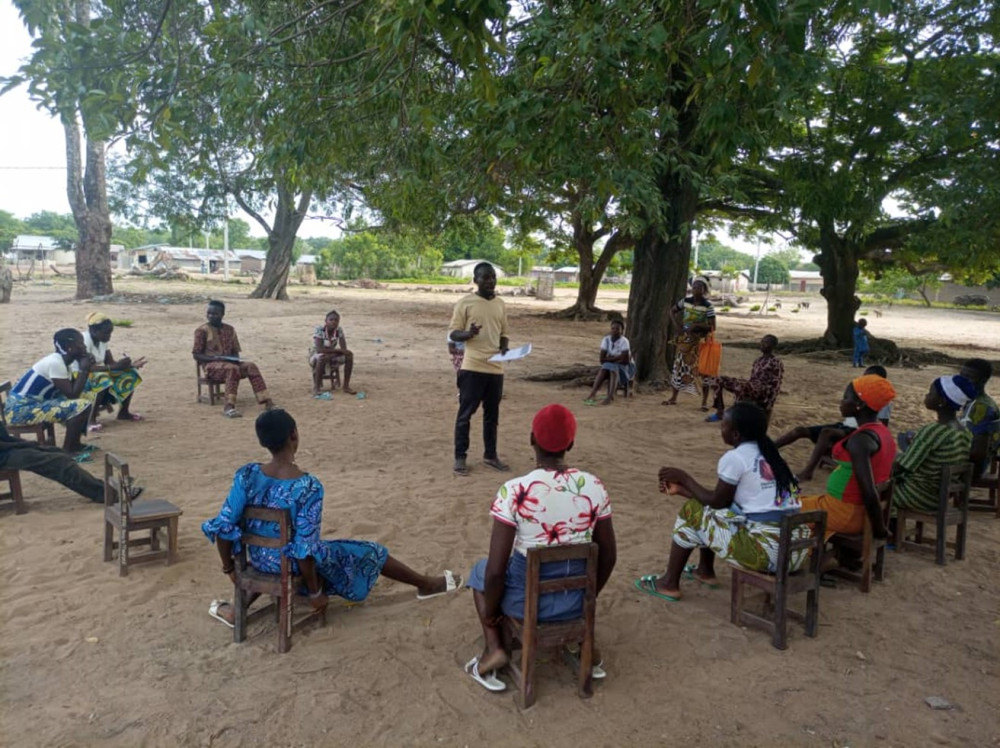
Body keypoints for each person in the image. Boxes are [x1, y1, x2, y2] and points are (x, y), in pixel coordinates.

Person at [203, 409, 461, 627]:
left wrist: (231, 570)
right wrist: (315, 592)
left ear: (263, 442)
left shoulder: (246, 475)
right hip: (290, 565)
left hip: (256, 561)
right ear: (294, 435)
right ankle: (425, 584)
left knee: (306, 553)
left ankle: (238, 610)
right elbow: (305, 549)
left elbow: (223, 526)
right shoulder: (307, 486)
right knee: (369, 551)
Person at [464, 404, 617, 691]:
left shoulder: (514, 491)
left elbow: (496, 572)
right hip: (575, 602)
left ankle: (495, 645)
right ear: (570, 443)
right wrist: (587, 597)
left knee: (481, 570)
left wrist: (491, 614)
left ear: (531, 439)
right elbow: (609, 555)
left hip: (525, 604)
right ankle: (583, 640)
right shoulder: (594, 486)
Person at [636, 401, 803, 602]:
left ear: (736, 435)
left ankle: (670, 583)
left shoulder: (736, 457)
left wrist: (684, 477)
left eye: (723, 425)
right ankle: (704, 571)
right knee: (707, 512)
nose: (720, 428)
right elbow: (725, 503)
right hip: (796, 553)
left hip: (767, 554)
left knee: (693, 510)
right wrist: (682, 490)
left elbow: (716, 502)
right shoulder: (772, 455)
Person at [798, 374, 897, 540]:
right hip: (847, 509)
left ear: (860, 404)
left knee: (779, 509)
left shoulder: (860, 441)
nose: (841, 402)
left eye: (845, 398)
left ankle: (795, 557)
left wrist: (880, 529)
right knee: (796, 500)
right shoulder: (882, 432)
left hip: (845, 513)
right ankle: (831, 557)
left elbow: (868, 490)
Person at [777, 365, 891, 482]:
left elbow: (882, 426)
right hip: (844, 426)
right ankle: (767, 447)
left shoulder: (882, 401)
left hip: (858, 432)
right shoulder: (859, 392)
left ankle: (808, 472)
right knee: (800, 430)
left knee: (826, 433)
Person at [449, 262, 510, 476]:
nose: (491, 281)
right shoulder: (465, 303)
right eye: (485, 277)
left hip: (495, 368)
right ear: (476, 280)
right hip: (472, 366)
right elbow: (453, 334)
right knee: (466, 414)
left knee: (492, 415)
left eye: (493, 277)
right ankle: (460, 457)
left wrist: (504, 346)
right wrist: (468, 334)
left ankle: (490, 455)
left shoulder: (501, 304)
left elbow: (503, 333)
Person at [5, 329, 97, 456]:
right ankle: (68, 450)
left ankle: (75, 443)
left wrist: (85, 367)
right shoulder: (55, 363)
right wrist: (84, 370)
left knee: (87, 394)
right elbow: (72, 394)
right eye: (80, 344)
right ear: (68, 347)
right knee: (81, 405)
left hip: (35, 402)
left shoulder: (64, 361)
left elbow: (75, 388)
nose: (84, 347)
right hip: (19, 410)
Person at [892, 375, 976, 514]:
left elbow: (903, 466)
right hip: (940, 496)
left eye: (931, 393)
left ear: (941, 401)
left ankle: (885, 530)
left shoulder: (933, 431)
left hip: (919, 495)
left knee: (872, 492)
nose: (927, 395)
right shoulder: (965, 432)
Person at [192, 300, 275, 418]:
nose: (211, 316)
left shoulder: (230, 330)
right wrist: (214, 357)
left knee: (251, 366)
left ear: (222, 314)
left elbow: (235, 351)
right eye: (209, 313)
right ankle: (229, 406)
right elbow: (196, 354)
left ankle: (267, 402)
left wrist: (234, 359)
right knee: (232, 369)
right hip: (211, 366)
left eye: (215, 314)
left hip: (229, 363)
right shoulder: (202, 331)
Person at [0, 421, 112, 502]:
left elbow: (6, 438)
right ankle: (102, 493)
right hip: (3, 456)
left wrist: (28, 443)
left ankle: (101, 487)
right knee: (58, 462)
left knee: (57, 452)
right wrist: (23, 445)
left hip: (7, 451)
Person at [81, 312, 147, 427]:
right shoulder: (84, 341)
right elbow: (86, 368)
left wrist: (129, 365)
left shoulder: (102, 341)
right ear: (94, 331)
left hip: (94, 374)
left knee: (129, 374)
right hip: (79, 377)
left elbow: (110, 363)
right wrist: (112, 367)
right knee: (101, 378)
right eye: (106, 333)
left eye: (110, 333)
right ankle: (90, 420)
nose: (109, 337)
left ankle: (123, 413)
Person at [662, 276, 716, 409]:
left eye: (699, 287)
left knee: (703, 370)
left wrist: (697, 325)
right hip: (685, 341)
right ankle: (673, 397)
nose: (696, 289)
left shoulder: (708, 306)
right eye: (695, 286)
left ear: (704, 290)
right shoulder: (685, 301)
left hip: (700, 342)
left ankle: (704, 402)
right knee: (679, 367)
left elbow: (712, 327)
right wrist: (677, 327)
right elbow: (672, 311)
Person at [705, 334, 783, 423]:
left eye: (765, 343)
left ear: (772, 346)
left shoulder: (775, 362)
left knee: (741, 386)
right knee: (718, 379)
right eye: (762, 342)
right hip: (752, 386)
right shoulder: (758, 360)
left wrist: (769, 403)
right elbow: (752, 379)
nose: (762, 344)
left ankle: (735, 417)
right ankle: (720, 412)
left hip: (763, 390)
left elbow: (776, 384)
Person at [958, 358, 999, 484]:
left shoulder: (982, 407)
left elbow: (977, 452)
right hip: (969, 462)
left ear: (983, 380)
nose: (963, 381)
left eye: (969, 377)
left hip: (971, 468)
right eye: (962, 376)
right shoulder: (974, 401)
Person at [583, 319, 634, 406]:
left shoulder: (624, 341)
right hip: (612, 365)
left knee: (611, 368)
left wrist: (610, 358)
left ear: (622, 331)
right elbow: (602, 359)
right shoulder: (606, 340)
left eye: (617, 329)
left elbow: (625, 360)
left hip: (626, 368)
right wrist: (616, 358)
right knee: (604, 368)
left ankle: (609, 397)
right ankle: (593, 393)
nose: (615, 331)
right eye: (613, 328)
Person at [310, 310, 356, 398]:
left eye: (336, 320)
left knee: (349, 354)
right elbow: (319, 349)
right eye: (331, 320)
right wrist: (338, 351)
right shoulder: (320, 330)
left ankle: (346, 386)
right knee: (322, 357)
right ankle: (316, 388)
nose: (333, 322)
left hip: (331, 354)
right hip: (316, 355)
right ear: (325, 321)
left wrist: (338, 352)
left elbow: (344, 349)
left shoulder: (339, 330)